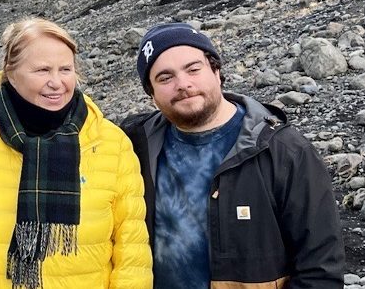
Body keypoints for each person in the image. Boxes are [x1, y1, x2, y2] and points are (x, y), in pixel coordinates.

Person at [120, 23, 345, 289]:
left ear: (216, 71)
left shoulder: (283, 150)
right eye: (165, 78)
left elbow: (320, 270)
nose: (183, 84)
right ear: (152, 94)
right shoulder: (134, 145)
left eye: (193, 69)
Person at [0, 17, 152, 289]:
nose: (56, 82)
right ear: (11, 71)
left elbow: (132, 250)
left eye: (65, 69)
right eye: (42, 70)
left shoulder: (111, 142)